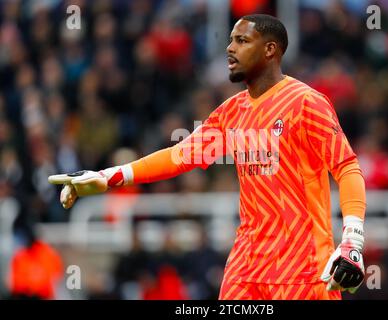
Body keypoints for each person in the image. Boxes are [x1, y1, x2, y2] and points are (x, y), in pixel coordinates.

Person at [49, 14, 366, 300]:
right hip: (246, 269)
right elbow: (179, 157)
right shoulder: (232, 111)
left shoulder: (306, 103)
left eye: (241, 41)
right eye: (230, 40)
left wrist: (352, 242)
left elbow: (347, 167)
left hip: (302, 269)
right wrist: (109, 176)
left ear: (271, 50)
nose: (230, 48)